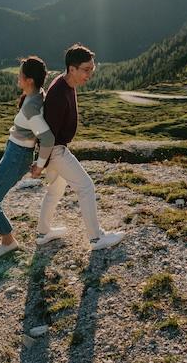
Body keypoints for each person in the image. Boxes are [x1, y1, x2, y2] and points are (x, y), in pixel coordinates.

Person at [31, 44, 124, 251]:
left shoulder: (67, 83)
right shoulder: (59, 93)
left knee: (55, 190)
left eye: (92, 69)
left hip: (55, 149)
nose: (90, 74)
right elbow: (48, 135)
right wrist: (41, 163)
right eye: (86, 70)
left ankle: (43, 233)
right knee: (86, 186)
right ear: (72, 69)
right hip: (55, 150)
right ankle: (96, 238)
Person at [0, 56, 55, 258]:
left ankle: (8, 241)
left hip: (17, 156)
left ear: (29, 80)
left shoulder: (31, 106)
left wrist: (40, 165)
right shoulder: (37, 94)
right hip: (15, 153)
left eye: (20, 75)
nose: (18, 77)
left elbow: (48, 138)